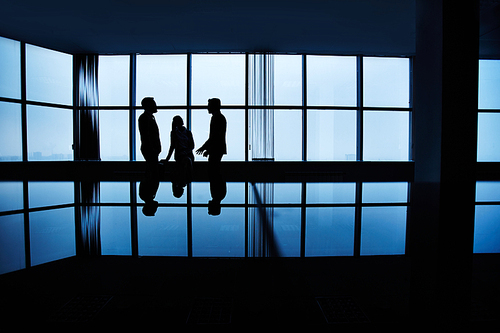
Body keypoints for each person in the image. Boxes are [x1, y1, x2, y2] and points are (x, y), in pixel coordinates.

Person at [164, 115, 195, 197]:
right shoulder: (174, 133)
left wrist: (185, 152)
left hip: (187, 153)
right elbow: (172, 146)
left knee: (187, 160)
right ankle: (187, 178)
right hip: (180, 155)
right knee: (187, 161)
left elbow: (192, 146)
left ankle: (185, 179)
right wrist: (167, 159)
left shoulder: (188, 132)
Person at [195, 98, 227, 178]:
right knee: (215, 170)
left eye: (209, 106)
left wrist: (204, 148)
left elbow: (214, 136)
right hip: (217, 148)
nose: (207, 108)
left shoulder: (217, 118)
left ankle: (217, 189)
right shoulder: (220, 117)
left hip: (216, 149)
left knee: (213, 171)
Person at [138, 97, 161, 174]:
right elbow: (146, 136)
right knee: (153, 171)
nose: (156, 106)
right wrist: (153, 148)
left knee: (152, 170)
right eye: (154, 104)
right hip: (150, 149)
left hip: (151, 148)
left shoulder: (148, 117)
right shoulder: (145, 118)